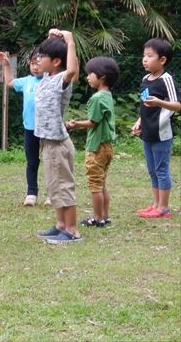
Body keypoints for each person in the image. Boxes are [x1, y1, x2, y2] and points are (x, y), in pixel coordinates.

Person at [34, 29, 81, 244]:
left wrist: (69, 40)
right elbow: (51, 52)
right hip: (48, 142)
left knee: (64, 186)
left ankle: (71, 230)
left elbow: (72, 69)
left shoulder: (63, 78)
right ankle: (60, 224)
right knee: (54, 186)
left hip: (59, 143)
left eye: (42, 56)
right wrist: (53, 38)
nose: (38, 59)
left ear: (56, 62)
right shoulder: (46, 77)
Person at [66, 57, 119, 228]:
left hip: (96, 147)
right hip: (107, 147)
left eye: (90, 74)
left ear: (102, 77)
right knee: (102, 182)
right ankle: (105, 215)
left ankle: (97, 218)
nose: (87, 77)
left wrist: (75, 124)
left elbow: (93, 122)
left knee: (95, 184)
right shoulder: (108, 96)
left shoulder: (97, 98)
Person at [132, 38, 180, 219]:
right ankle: (155, 204)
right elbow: (145, 105)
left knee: (161, 170)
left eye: (149, 56)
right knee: (152, 170)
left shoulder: (166, 80)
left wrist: (160, 102)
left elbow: (178, 105)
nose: (144, 59)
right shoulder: (145, 79)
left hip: (162, 133)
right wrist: (139, 122)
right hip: (148, 132)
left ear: (162, 60)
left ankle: (164, 208)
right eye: (144, 56)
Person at [0, 49, 45, 206]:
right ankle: (31, 193)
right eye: (32, 64)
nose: (35, 67)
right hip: (30, 128)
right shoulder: (27, 81)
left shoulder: (52, 80)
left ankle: (53, 193)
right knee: (32, 162)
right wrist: (6, 65)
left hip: (47, 128)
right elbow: (9, 82)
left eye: (39, 63)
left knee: (52, 162)